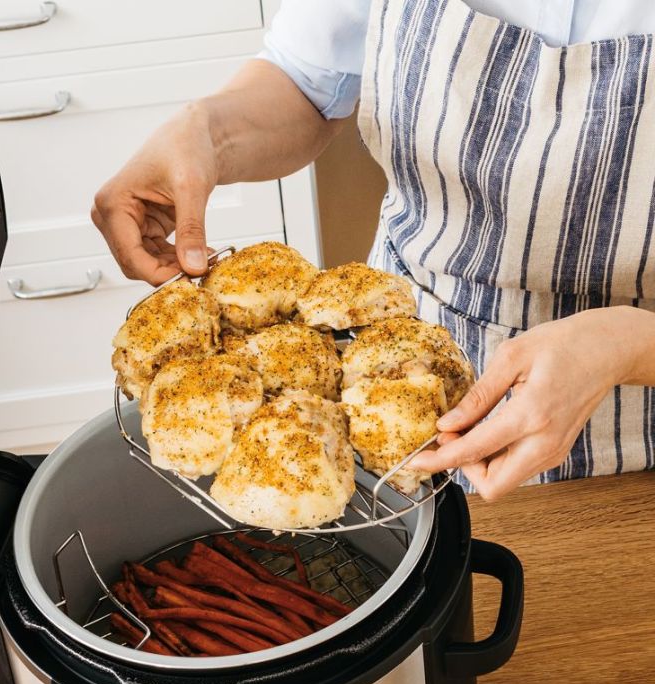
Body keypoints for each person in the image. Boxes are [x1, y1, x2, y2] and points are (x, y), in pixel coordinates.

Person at [92, 0, 655, 499]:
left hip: (635, 427)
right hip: (395, 347)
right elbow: (307, 81)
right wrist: (203, 131)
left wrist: (627, 346)